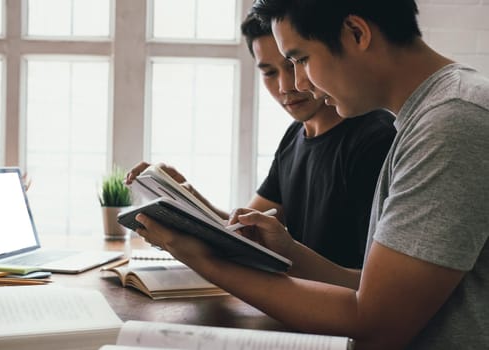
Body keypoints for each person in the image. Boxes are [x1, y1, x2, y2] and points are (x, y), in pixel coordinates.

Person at [132, 1, 489, 349]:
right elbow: (372, 292)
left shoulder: (452, 122)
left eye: (301, 59)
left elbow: (376, 325)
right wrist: (292, 254)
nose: (299, 83)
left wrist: (203, 260)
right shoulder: (431, 117)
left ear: (355, 32)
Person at [126, 12, 395, 269]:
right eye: (269, 72)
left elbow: (372, 289)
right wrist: (184, 196)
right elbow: (242, 226)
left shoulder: (374, 139)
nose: (286, 86)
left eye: (295, 63)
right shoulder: (294, 135)